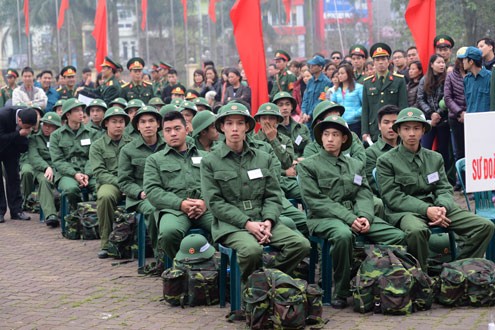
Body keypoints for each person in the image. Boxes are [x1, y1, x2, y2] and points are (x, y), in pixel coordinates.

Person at [298, 115, 404, 308]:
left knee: (397, 236)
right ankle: (341, 290)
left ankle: (383, 284)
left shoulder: (354, 164)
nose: (330, 139)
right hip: (323, 218)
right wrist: (350, 218)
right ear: (321, 138)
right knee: (343, 235)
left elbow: (363, 193)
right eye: (326, 134)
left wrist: (365, 216)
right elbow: (316, 201)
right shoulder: (308, 165)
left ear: (344, 139)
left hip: (356, 215)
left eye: (335, 135)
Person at [200, 102, 310, 283]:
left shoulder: (263, 157)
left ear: (247, 127)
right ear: (221, 127)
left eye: (240, 123)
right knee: (252, 251)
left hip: (263, 219)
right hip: (231, 225)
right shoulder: (210, 161)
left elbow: (273, 196)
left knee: (300, 245)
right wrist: (247, 223)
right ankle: (249, 294)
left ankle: (263, 282)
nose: (234, 128)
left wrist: (268, 220)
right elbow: (215, 203)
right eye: (229, 123)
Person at [376, 107, 495, 270]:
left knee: (484, 226)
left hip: (438, 207)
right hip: (406, 211)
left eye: (416, 128)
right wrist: (427, 210)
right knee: (416, 231)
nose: (411, 133)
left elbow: (444, 188)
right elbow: (393, 197)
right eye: (406, 128)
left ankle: (456, 271)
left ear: (423, 130)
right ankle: (421, 276)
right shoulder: (386, 161)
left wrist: (442, 207)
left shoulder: (434, 157)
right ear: (399, 131)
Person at [144, 111, 213, 261]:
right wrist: (180, 204)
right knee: (169, 233)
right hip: (174, 210)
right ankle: (180, 267)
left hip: (204, 207)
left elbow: (216, 185)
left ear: (187, 129)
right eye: (168, 130)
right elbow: (152, 190)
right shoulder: (155, 160)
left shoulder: (207, 157)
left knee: (223, 229)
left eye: (177, 128)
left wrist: (205, 202)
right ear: (162, 133)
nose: (173, 134)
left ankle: (212, 267)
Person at [118, 106, 165, 258]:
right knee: (153, 211)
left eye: (151, 121)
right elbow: (124, 181)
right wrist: (140, 193)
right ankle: (160, 255)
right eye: (143, 122)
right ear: (137, 126)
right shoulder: (128, 150)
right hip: (142, 196)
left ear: (158, 124)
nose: (148, 125)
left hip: (167, 193)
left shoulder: (168, 145)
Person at [89, 107, 133, 258]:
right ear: (106, 123)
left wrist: (130, 186)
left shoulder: (132, 143)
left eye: (121, 122)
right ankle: (106, 243)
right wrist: (122, 184)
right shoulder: (97, 145)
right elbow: (100, 173)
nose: (118, 125)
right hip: (110, 182)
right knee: (105, 197)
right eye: (114, 122)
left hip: (131, 182)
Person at [49, 98, 98, 210]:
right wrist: (75, 174)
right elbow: (58, 161)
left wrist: (87, 174)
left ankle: (95, 217)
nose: (81, 113)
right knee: (71, 190)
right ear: (68, 115)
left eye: (81, 110)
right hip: (67, 174)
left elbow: (94, 157)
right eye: (76, 110)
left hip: (90, 173)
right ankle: (76, 214)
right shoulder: (56, 135)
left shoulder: (92, 133)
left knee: (100, 188)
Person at [416, 54, 453, 183]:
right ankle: (426, 178)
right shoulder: (424, 80)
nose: (442, 65)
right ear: (431, 65)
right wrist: (431, 113)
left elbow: (448, 98)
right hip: (428, 121)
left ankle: (444, 179)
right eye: (438, 62)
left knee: (444, 151)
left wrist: (438, 113)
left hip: (443, 120)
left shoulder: (448, 79)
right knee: (425, 148)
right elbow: (420, 98)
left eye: (443, 62)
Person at [361, 43, 408, 143]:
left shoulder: (399, 80)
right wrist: (365, 131)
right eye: (377, 60)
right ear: (373, 62)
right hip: (375, 127)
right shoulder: (367, 83)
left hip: (394, 127)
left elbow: (403, 105)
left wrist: (403, 127)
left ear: (388, 62)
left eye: (383, 59)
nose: (380, 63)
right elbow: (365, 109)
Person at [0, 106, 38, 223]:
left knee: (14, 178)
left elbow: (24, 141)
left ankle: (16, 210)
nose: (28, 130)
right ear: (19, 120)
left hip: (11, 150)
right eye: (27, 127)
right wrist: (18, 133)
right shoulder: (2, 116)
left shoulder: (27, 113)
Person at [27, 112, 62, 227]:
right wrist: (46, 167)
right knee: (45, 180)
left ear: (57, 127)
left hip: (59, 168)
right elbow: (34, 157)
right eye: (45, 124)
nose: (47, 128)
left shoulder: (61, 138)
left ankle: (66, 210)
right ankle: (50, 215)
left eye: (51, 126)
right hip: (42, 169)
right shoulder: (34, 138)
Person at [364, 105, 400, 195]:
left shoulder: (408, 148)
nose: (391, 126)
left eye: (394, 122)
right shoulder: (370, 153)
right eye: (386, 122)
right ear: (379, 125)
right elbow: (374, 185)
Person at [444, 48, 468, 162]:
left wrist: (468, 113)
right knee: (459, 151)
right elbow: (447, 98)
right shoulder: (451, 75)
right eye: (462, 59)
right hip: (456, 118)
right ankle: (460, 179)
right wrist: (460, 112)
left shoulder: (474, 74)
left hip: (472, 117)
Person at [273, 91, 310, 158]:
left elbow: (310, 147)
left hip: (303, 163)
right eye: (280, 105)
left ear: (292, 107)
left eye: (287, 104)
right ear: (275, 108)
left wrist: (303, 159)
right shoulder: (272, 131)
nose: (284, 108)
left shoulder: (302, 128)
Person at [331, 63, 364, 137]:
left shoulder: (359, 88)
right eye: (339, 74)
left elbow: (365, 105)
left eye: (342, 73)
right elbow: (333, 104)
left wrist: (355, 114)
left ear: (349, 74)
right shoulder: (337, 89)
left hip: (355, 123)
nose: (340, 75)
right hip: (341, 123)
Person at [300, 55, 332, 128]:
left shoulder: (327, 82)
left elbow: (322, 100)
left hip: (317, 116)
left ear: (320, 67)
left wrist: (310, 114)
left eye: (314, 65)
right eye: (311, 65)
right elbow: (305, 98)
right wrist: (304, 112)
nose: (311, 67)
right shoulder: (310, 81)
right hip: (306, 117)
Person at [459, 46, 492, 113]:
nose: (463, 62)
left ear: (471, 61)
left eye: (464, 59)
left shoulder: (490, 77)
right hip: (471, 119)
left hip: (487, 120)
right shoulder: (467, 80)